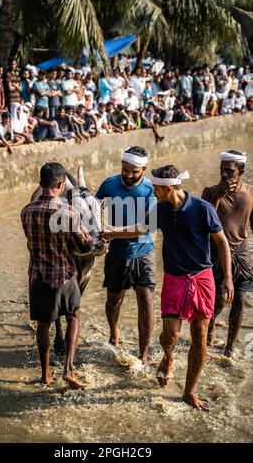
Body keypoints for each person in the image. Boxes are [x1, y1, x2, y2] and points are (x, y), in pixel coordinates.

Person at [101, 165, 234, 410]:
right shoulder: (160, 209)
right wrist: (109, 233)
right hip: (174, 278)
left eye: (157, 189)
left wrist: (227, 278)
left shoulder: (202, 209)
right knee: (170, 334)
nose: (153, 192)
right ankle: (169, 355)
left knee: (200, 335)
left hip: (203, 278)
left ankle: (189, 390)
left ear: (169, 188)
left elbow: (222, 243)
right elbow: (139, 229)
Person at [21, 162, 93, 388]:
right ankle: (69, 369)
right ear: (61, 184)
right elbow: (82, 247)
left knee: (43, 325)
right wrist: (92, 243)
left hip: (38, 277)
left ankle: (45, 374)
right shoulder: (69, 212)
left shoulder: (26, 211)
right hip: (64, 275)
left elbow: (31, 242)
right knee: (73, 316)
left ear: (40, 183)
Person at [96, 146, 156, 364]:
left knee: (147, 300)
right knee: (113, 299)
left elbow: (146, 226)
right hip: (117, 253)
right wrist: (101, 237)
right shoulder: (109, 184)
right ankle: (114, 333)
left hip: (144, 251)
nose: (129, 175)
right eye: (126, 170)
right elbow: (96, 210)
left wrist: (112, 232)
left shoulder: (151, 190)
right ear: (121, 165)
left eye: (135, 172)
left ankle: (144, 352)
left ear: (144, 169)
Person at [201, 150, 253, 356]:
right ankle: (209, 328)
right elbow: (205, 222)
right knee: (220, 299)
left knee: (240, 298)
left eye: (229, 171)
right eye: (222, 170)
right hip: (215, 250)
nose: (224, 175)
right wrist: (217, 196)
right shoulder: (209, 192)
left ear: (240, 172)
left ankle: (230, 347)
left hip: (240, 251)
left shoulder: (250, 193)